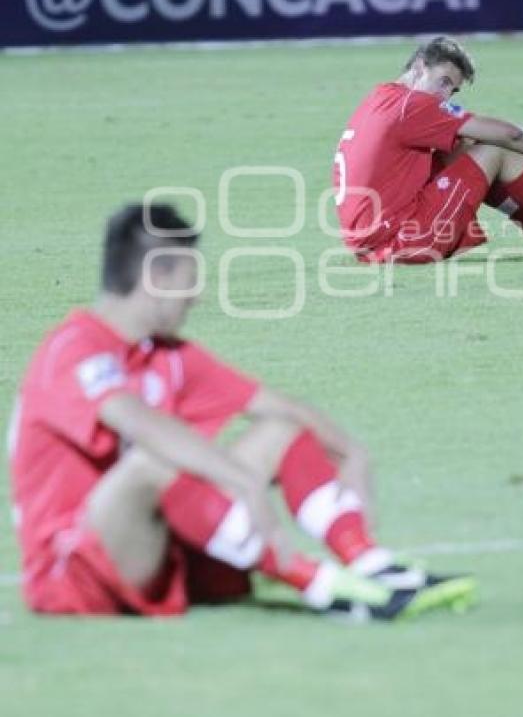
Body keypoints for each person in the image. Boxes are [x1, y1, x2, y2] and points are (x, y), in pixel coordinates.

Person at [8, 203, 476, 619]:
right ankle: (320, 586)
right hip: (72, 574)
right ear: (157, 277)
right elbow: (137, 423)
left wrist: (350, 451)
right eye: (189, 278)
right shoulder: (73, 349)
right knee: (157, 458)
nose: (196, 295)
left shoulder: (165, 354)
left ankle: (373, 565)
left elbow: (279, 407)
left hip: (153, 551)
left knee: (281, 432)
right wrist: (239, 479)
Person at [332, 36, 523, 264]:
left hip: (376, 242)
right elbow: (511, 135)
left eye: (452, 89)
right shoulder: (412, 107)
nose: (444, 95)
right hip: (404, 239)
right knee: (498, 150)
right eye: (442, 82)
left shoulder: (382, 97)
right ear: (419, 67)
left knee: (466, 149)